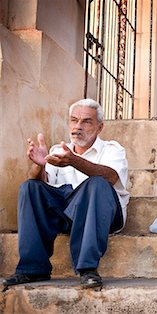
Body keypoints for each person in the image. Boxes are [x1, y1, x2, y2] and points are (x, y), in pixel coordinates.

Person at [2, 98, 129, 289]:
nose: (78, 126)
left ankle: (87, 268)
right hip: (67, 215)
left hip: (102, 215)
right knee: (30, 187)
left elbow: (110, 177)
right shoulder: (57, 150)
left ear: (99, 127)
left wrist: (74, 161)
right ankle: (33, 269)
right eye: (74, 120)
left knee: (97, 183)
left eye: (86, 121)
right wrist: (40, 165)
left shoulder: (112, 149)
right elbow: (42, 187)